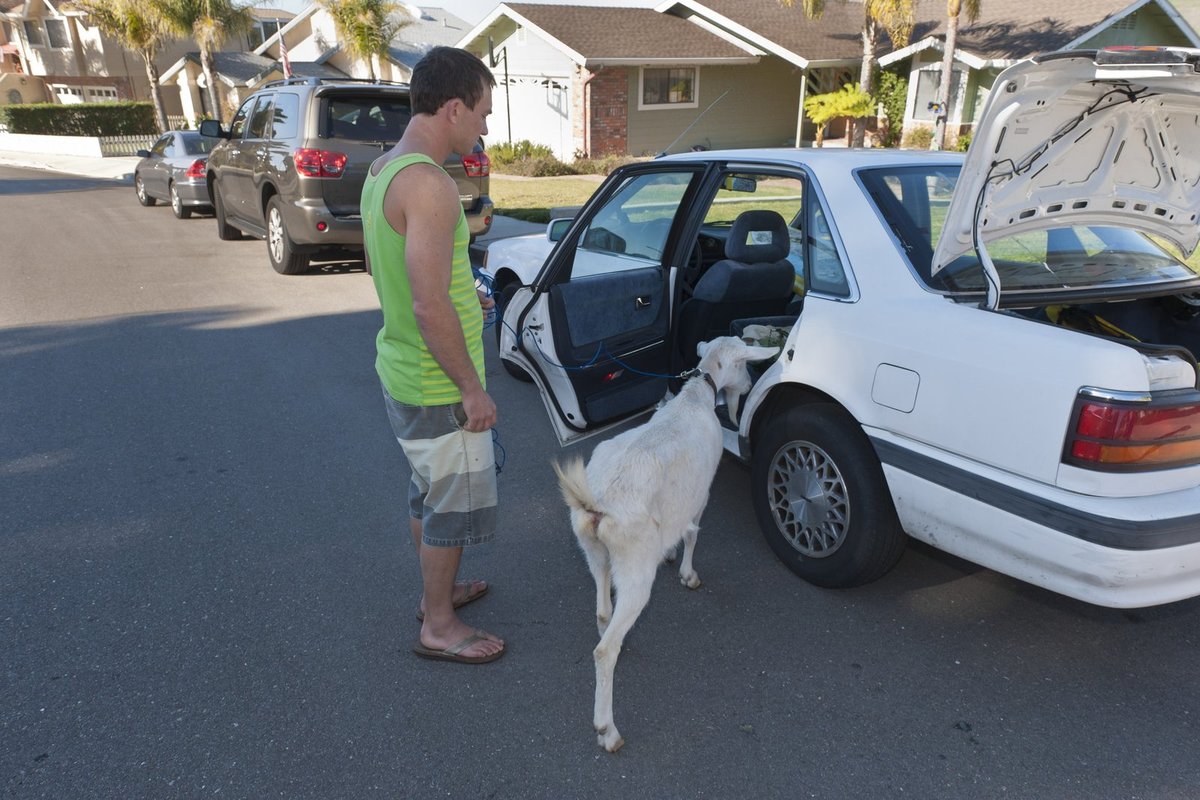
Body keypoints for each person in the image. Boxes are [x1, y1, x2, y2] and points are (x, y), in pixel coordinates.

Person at [362, 46, 503, 664]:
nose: (485, 127)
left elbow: (386, 268)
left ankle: (435, 594)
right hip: (436, 382)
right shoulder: (432, 186)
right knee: (451, 506)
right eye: (481, 113)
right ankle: (439, 624)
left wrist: (465, 298)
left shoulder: (382, 172)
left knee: (427, 495)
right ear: (452, 108)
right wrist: (472, 389)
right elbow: (427, 306)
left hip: (402, 369)